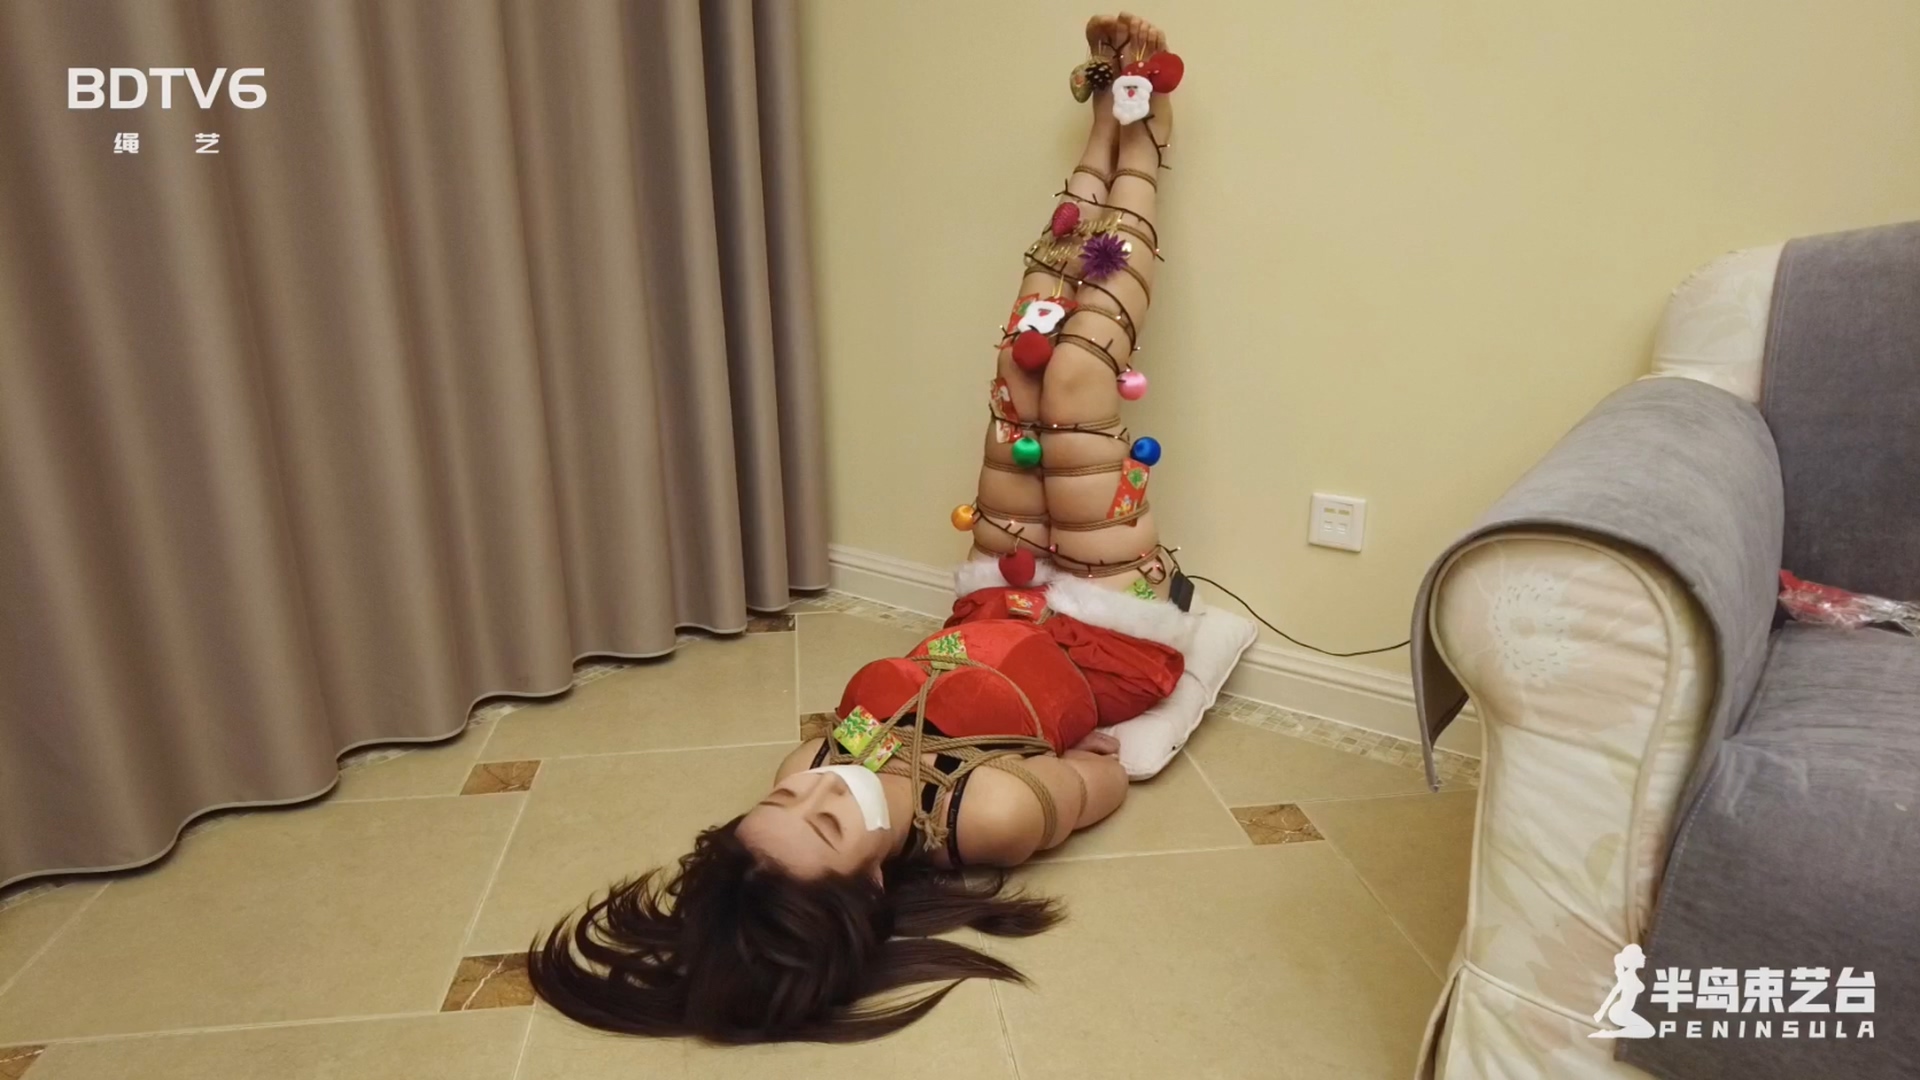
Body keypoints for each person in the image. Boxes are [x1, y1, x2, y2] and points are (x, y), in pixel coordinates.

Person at [529, 13, 1186, 1044]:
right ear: (873, 883)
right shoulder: (985, 821)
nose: (815, 787)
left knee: (1022, 364)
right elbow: (1104, 773)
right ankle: (1147, 142)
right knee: (1075, 378)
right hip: (1102, 646)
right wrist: (1101, 744)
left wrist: (821, 786)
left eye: (779, 804)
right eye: (827, 819)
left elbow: (832, 768)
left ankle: (1108, 132)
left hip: (995, 601)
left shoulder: (804, 777)